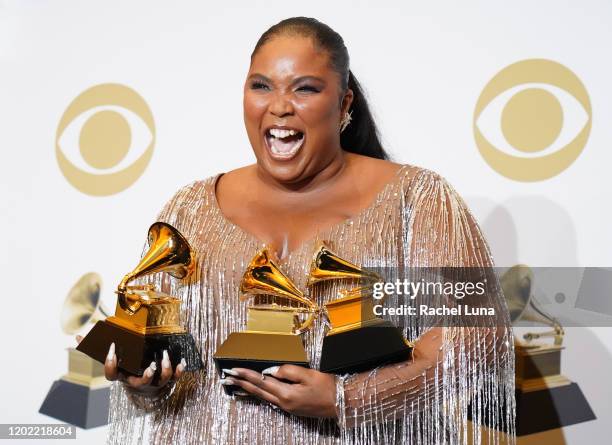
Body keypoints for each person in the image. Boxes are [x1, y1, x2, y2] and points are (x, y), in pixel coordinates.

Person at [96, 17, 515, 445]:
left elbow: (481, 341)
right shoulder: (191, 208)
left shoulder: (418, 199)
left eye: (305, 88)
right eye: (261, 86)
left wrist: (347, 399)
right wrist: (146, 383)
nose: (279, 106)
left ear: (344, 103)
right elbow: (170, 360)